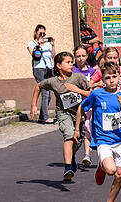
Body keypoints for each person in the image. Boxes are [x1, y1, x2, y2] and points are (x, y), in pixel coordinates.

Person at [74, 62, 121, 202]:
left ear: (120, 77)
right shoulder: (96, 94)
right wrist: (77, 128)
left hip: (120, 140)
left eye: (114, 76)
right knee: (111, 170)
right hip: (103, 139)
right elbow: (81, 108)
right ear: (102, 79)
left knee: (120, 175)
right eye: (108, 77)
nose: (112, 80)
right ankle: (102, 166)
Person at [30, 52, 91, 181]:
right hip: (63, 114)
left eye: (71, 62)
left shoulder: (79, 78)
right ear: (59, 65)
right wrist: (33, 105)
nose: (71, 64)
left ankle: (72, 157)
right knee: (68, 136)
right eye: (68, 62)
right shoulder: (53, 81)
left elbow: (91, 94)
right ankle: (68, 167)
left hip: (79, 115)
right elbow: (38, 86)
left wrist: (77, 90)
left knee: (77, 142)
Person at [73, 45, 96, 167]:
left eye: (83, 56)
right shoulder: (72, 71)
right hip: (74, 105)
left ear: (87, 56)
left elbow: (97, 85)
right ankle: (71, 155)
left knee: (87, 127)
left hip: (88, 104)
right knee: (76, 132)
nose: (81, 58)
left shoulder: (92, 71)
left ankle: (87, 155)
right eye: (78, 56)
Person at [27, 24, 55, 124]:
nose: (42, 35)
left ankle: (42, 117)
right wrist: (38, 44)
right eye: (40, 33)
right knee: (45, 92)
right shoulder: (31, 44)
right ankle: (45, 117)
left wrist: (52, 44)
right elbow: (35, 56)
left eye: (44, 33)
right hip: (39, 69)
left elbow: (53, 55)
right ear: (36, 33)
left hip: (48, 69)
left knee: (49, 94)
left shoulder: (47, 44)